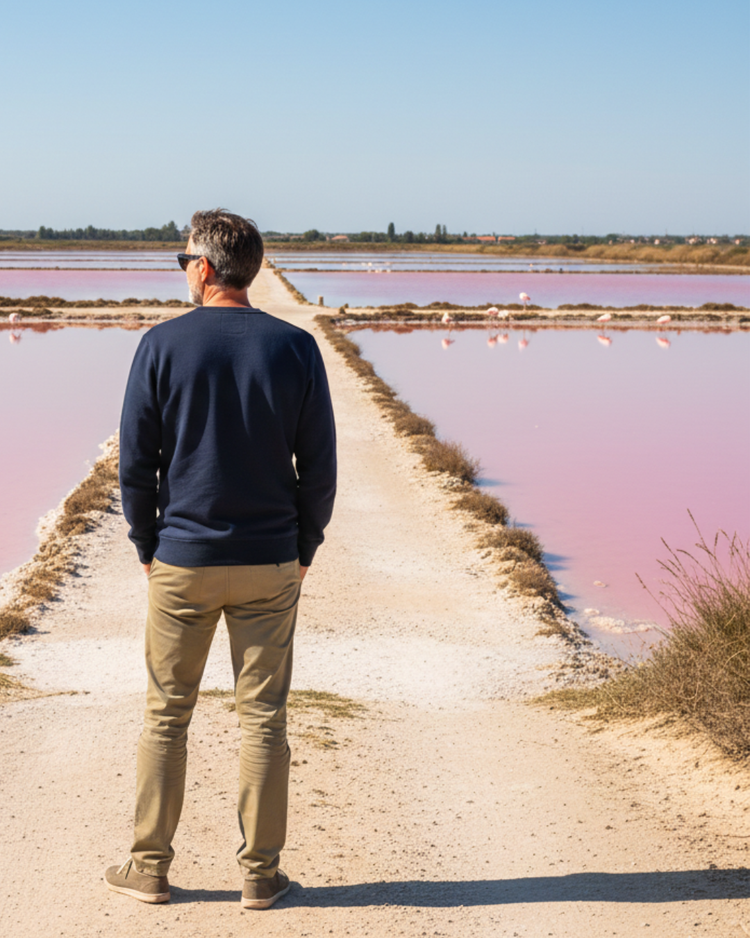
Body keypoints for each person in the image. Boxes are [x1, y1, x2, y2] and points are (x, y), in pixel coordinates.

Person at [105, 209, 337, 910]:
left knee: (166, 715)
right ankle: (261, 876)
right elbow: (319, 466)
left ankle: (149, 868)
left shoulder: (162, 345)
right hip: (269, 561)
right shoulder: (295, 348)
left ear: (204, 269)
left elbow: (135, 462)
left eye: (184, 262)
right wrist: (304, 545)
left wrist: (147, 544)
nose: (184, 272)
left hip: (183, 559)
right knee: (263, 718)